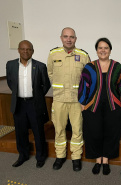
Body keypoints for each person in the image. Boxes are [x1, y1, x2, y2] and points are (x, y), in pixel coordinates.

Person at [78, 38, 121, 175]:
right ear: (96, 50)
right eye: (100, 48)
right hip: (92, 107)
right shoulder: (89, 67)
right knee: (94, 133)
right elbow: (83, 86)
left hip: (113, 107)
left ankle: (105, 161)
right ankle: (97, 160)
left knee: (111, 133)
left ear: (110, 50)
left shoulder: (117, 66)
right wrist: (82, 104)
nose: (103, 50)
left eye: (106, 48)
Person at [47, 27, 90, 171]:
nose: (68, 39)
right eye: (66, 36)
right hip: (59, 100)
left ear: (75, 39)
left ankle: (76, 158)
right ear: (61, 38)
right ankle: (60, 156)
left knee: (77, 130)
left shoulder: (83, 55)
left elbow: (88, 78)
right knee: (59, 129)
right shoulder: (53, 54)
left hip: (77, 101)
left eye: (71, 37)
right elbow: (51, 73)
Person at [6, 40, 51, 168]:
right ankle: (23, 155)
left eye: (28, 49)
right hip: (19, 103)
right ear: (19, 50)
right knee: (20, 132)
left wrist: (37, 95)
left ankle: (40, 157)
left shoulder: (40, 66)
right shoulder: (10, 65)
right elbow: (10, 82)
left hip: (34, 103)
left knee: (38, 131)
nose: (26, 51)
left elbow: (46, 85)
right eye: (23, 49)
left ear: (32, 51)